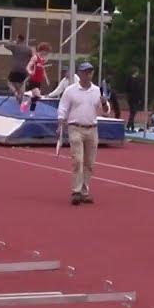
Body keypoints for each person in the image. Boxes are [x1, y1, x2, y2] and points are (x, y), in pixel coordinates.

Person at [56, 61, 110, 205]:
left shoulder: (97, 90)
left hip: (92, 128)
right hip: (75, 128)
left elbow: (105, 111)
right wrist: (60, 121)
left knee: (89, 163)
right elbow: (63, 107)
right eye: (85, 72)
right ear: (79, 73)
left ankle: (85, 191)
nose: (88, 74)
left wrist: (104, 103)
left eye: (90, 72)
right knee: (77, 160)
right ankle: (76, 191)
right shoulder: (71, 90)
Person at [4, 35, 33, 107]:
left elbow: (5, 45)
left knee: (9, 82)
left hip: (15, 68)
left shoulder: (15, 47)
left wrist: (13, 42)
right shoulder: (28, 49)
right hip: (24, 69)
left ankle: (15, 92)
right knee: (22, 83)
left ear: (18, 39)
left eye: (16, 39)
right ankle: (20, 96)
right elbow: (32, 58)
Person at [24, 42, 51, 112]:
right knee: (38, 95)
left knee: (35, 99)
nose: (46, 54)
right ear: (43, 50)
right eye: (46, 52)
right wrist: (30, 72)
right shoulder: (35, 58)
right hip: (33, 81)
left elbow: (43, 69)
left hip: (38, 81)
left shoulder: (42, 60)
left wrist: (46, 79)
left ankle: (30, 110)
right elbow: (28, 67)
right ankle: (29, 93)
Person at [124, 67, 143, 132]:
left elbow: (126, 88)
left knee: (132, 112)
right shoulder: (135, 80)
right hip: (134, 98)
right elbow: (138, 89)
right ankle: (128, 126)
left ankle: (131, 127)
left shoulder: (128, 79)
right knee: (133, 112)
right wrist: (140, 98)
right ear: (135, 72)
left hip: (130, 98)